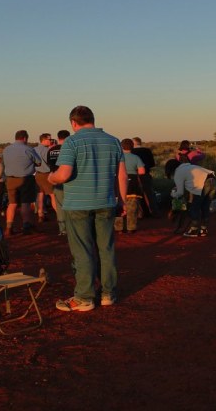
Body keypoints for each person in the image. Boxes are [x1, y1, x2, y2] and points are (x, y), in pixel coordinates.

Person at [49, 106, 127, 312]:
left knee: (82, 250)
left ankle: (84, 297)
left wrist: (51, 177)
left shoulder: (72, 142)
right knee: (106, 248)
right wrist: (122, 200)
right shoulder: (113, 141)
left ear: (73, 123)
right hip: (106, 202)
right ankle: (108, 293)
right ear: (92, 119)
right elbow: (121, 175)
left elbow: (63, 174)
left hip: (78, 205)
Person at [2, 130, 42, 237]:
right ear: (25, 138)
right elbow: (39, 162)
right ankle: (26, 226)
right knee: (25, 203)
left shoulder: (6, 149)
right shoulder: (28, 149)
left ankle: (8, 227)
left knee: (12, 203)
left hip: (10, 179)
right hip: (25, 179)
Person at [171, 149, 216, 237]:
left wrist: (173, 194)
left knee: (194, 207)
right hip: (213, 180)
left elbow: (179, 192)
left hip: (203, 184)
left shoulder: (179, 171)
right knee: (205, 207)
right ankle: (203, 229)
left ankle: (194, 230)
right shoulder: (190, 166)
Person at [46, 130, 70, 236]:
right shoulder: (69, 149)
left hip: (56, 180)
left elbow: (49, 165)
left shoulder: (51, 150)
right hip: (69, 180)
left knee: (60, 205)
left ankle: (62, 229)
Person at [120, 138, 146, 233]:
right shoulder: (136, 158)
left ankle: (119, 227)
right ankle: (131, 227)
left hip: (118, 183)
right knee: (132, 207)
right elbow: (142, 171)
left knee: (118, 207)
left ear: (121, 146)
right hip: (133, 182)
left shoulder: (117, 157)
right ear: (132, 146)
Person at [131, 137, 158, 217]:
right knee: (149, 194)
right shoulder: (147, 151)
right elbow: (152, 163)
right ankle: (153, 212)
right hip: (146, 174)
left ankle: (140, 213)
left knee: (136, 194)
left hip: (134, 175)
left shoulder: (132, 152)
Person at [33, 133, 53, 222]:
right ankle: (60, 215)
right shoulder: (46, 150)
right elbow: (50, 162)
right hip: (46, 174)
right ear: (44, 140)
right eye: (49, 139)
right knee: (53, 195)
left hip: (37, 174)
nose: (51, 141)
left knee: (40, 194)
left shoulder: (33, 149)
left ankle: (40, 213)